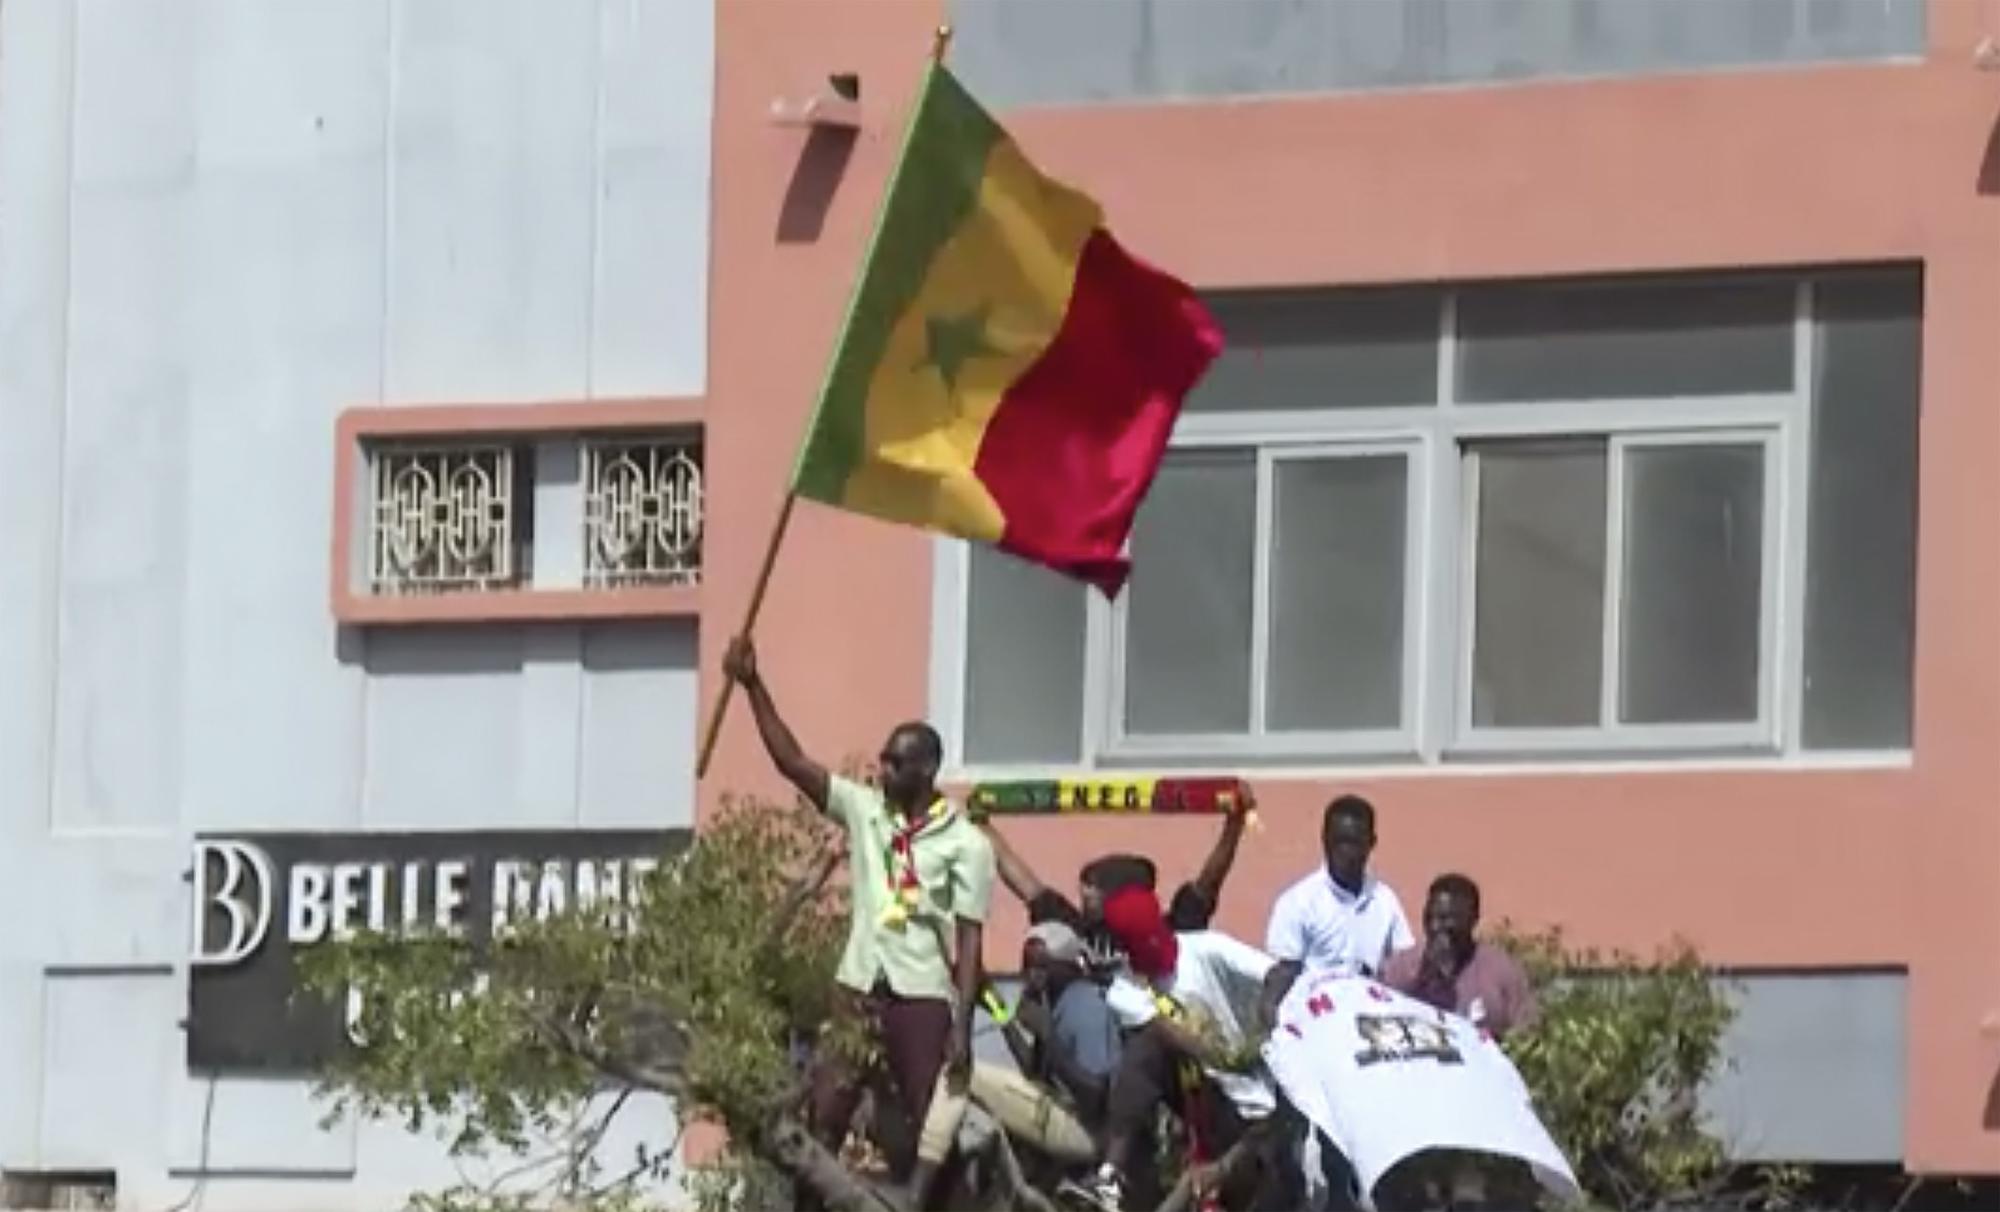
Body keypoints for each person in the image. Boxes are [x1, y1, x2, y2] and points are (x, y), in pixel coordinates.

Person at [721, 636, 994, 1203]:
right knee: (824, 1117)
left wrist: (963, 1028)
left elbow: (969, 944)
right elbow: (793, 764)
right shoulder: (866, 811)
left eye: (896, 761)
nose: (883, 767)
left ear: (926, 769)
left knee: (932, 1129)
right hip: (857, 986)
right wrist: (753, 685)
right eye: (883, 758)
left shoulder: (967, 843)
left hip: (921, 995)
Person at [1067, 887, 1281, 1212]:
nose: (1152, 949)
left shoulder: (1207, 948)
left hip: (1262, 1098)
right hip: (1208, 1101)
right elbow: (1174, 1037)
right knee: (1145, 1048)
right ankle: (1110, 1175)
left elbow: (1278, 973)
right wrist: (1227, 1056)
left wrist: (1267, 1013)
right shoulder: (1124, 991)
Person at [912, 921, 1118, 1195]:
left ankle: (918, 1189)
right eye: (1028, 967)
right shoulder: (1055, 1002)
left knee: (962, 1073)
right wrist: (998, 1007)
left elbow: (1097, 1095)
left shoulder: (1084, 1007)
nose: (1033, 976)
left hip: (1088, 1134)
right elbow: (1033, 1071)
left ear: (1067, 967)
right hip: (1063, 1116)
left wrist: (1047, 1037)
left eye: (1042, 967)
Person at [984, 796, 1252, 968]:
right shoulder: (1078, 930)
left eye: (1092, 887)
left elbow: (1209, 882)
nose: (1084, 893)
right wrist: (982, 827)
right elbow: (1024, 883)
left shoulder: (1168, 932)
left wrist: (1234, 826)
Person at [1261, 795, 1415, 1018]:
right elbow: (1283, 975)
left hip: (1372, 1018)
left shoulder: (1384, 901)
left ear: (1371, 843)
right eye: (1338, 842)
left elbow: (1404, 965)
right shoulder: (1298, 903)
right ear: (1324, 840)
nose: (1345, 852)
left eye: (1354, 843)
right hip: (1314, 1020)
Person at [1381, 873, 1537, 1041]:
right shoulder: (1401, 969)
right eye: (1429, 917)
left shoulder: (1500, 971)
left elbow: (1527, 1036)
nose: (1435, 927)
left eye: (1446, 919)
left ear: (1473, 919)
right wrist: (1425, 975)